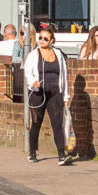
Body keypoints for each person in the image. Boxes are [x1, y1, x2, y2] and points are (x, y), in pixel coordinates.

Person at [24, 23, 74, 164]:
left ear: (52, 40)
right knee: (36, 124)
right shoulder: (34, 55)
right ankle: (32, 152)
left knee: (57, 124)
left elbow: (63, 75)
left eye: (45, 39)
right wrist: (33, 82)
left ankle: (61, 155)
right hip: (38, 94)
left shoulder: (58, 54)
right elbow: (28, 72)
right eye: (40, 37)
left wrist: (65, 95)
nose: (41, 41)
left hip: (54, 93)